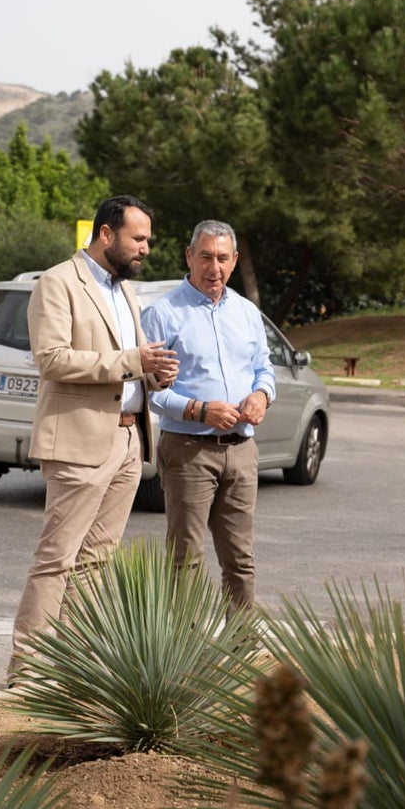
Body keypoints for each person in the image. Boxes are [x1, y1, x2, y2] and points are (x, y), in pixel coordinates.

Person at [7, 194, 179, 685]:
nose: (146, 248)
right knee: (57, 560)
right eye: (138, 238)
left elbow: (129, 361)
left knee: (96, 564)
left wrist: (153, 376)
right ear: (107, 233)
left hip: (127, 442)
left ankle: (74, 670)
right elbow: (52, 360)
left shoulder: (124, 291)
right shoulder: (59, 282)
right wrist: (132, 362)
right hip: (79, 443)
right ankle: (27, 673)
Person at [142, 219, 276, 613]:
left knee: (241, 560)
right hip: (188, 451)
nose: (213, 267)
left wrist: (262, 395)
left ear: (234, 261)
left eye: (221, 258)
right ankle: (184, 656)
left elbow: (264, 369)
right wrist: (199, 410)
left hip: (242, 451)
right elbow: (150, 391)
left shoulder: (248, 313)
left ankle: (241, 649)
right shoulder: (163, 313)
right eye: (205, 257)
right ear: (189, 256)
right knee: (185, 560)